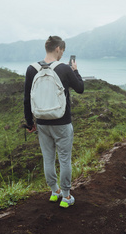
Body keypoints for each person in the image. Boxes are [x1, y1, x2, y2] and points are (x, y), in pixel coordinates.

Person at [24, 36, 84, 208]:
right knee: (64, 159)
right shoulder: (64, 69)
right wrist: (75, 71)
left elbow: (27, 100)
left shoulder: (31, 69)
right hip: (62, 122)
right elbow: (80, 88)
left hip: (42, 122)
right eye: (62, 51)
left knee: (48, 159)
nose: (62, 54)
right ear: (58, 48)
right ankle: (66, 197)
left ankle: (54, 191)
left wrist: (30, 123)